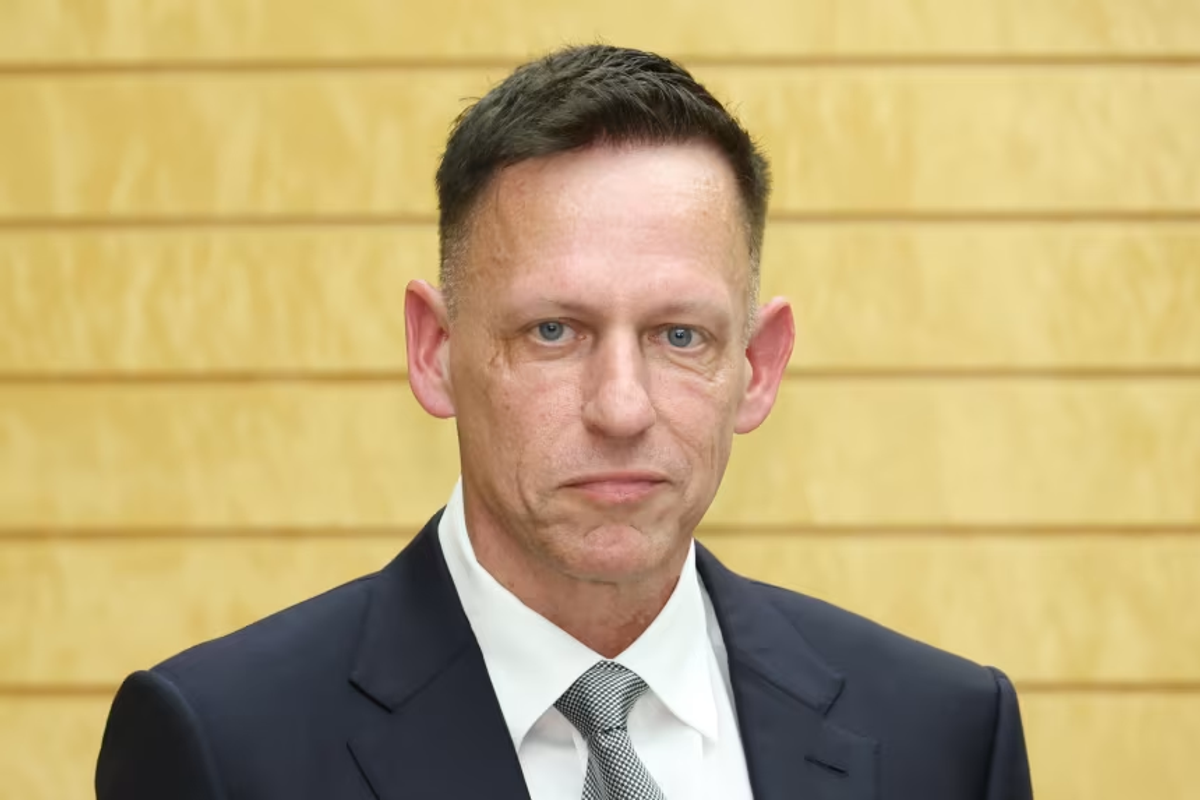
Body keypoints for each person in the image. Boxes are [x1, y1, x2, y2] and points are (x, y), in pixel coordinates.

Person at [96, 44, 1033, 800]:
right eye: (553, 332)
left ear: (757, 366)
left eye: (679, 335)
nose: (621, 407)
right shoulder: (223, 748)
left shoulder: (944, 736)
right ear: (434, 350)